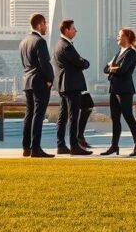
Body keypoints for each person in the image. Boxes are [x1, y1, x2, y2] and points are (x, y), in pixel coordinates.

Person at [101, 27, 136, 157]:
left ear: (127, 37)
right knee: (115, 119)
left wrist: (112, 68)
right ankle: (114, 146)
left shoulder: (131, 53)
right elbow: (105, 69)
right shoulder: (119, 52)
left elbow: (122, 70)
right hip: (114, 89)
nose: (117, 38)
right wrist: (112, 68)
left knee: (128, 117)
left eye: (120, 35)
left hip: (124, 90)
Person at [53, 19, 92, 156]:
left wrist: (81, 61)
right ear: (66, 30)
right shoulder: (66, 46)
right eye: (73, 28)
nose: (75, 31)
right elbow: (80, 63)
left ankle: (61, 145)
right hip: (72, 85)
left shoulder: (59, 45)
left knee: (63, 116)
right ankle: (74, 146)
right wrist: (85, 62)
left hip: (64, 85)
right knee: (73, 116)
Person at [19, 13, 54, 158]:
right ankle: (36, 148)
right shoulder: (40, 41)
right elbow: (44, 63)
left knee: (29, 114)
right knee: (38, 115)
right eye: (45, 24)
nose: (46, 27)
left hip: (27, 81)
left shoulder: (23, 42)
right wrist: (50, 79)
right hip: (39, 82)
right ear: (40, 24)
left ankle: (26, 148)